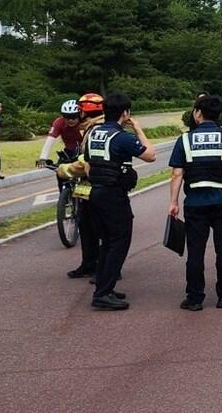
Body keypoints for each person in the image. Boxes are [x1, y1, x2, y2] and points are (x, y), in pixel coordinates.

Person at [168, 96, 222, 311]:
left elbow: (177, 174)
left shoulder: (184, 140)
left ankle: (195, 298)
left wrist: (173, 202)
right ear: (219, 114)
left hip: (195, 203)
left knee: (195, 251)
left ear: (197, 113)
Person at [84, 93, 156, 310]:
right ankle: (103, 293)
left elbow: (87, 164)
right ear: (125, 113)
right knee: (120, 241)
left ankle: (105, 286)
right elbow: (150, 155)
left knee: (107, 241)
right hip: (113, 195)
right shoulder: (122, 137)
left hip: (95, 192)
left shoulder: (93, 133)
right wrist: (138, 129)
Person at [62, 93, 105, 280]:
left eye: (78, 111)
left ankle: (105, 268)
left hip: (98, 186)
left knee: (101, 228)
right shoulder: (89, 128)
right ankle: (89, 264)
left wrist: (64, 170)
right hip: (87, 186)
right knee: (85, 225)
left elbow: (87, 162)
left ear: (84, 112)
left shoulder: (96, 130)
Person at [37, 100, 84, 168]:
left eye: (74, 116)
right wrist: (42, 158)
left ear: (80, 115)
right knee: (59, 172)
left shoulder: (85, 122)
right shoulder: (59, 122)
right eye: (67, 116)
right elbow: (50, 141)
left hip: (85, 153)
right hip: (69, 153)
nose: (70, 120)